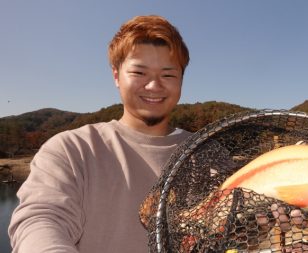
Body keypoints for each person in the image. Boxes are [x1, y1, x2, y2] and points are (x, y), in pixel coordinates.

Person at [9, 15, 192, 253]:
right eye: (139, 73)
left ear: (181, 80)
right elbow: (40, 220)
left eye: (168, 75)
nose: (154, 86)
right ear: (116, 76)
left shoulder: (209, 152)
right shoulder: (72, 149)